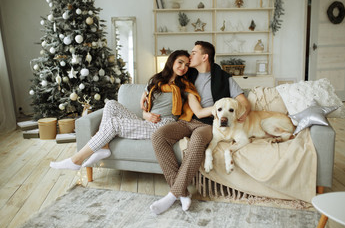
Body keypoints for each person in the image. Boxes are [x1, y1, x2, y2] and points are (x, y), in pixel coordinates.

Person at [50, 50, 200, 171]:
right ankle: (103, 147)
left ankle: (76, 160)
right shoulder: (156, 80)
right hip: (148, 121)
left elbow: (195, 108)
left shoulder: (184, 85)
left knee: (114, 123)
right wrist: (146, 113)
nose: (183, 67)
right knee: (111, 104)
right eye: (180, 62)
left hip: (164, 125)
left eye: (187, 65)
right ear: (171, 61)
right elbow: (146, 101)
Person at [149, 41, 251, 215]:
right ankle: (182, 193)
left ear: (204, 57)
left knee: (196, 142)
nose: (190, 56)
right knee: (159, 136)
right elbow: (159, 85)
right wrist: (144, 98)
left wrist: (244, 112)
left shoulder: (224, 78)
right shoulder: (187, 76)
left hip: (208, 124)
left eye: (194, 52)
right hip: (186, 120)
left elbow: (243, 101)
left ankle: (171, 195)